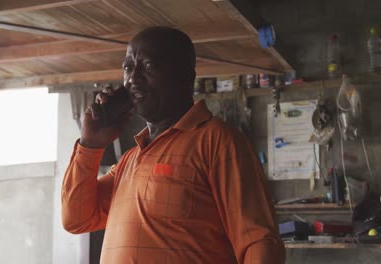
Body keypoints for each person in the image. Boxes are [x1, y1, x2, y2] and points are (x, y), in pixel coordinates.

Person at [62, 26, 285, 263]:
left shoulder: (216, 141)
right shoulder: (130, 160)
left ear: (185, 76)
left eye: (148, 66)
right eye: (128, 67)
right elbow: (77, 219)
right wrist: (90, 146)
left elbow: (258, 242)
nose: (133, 78)